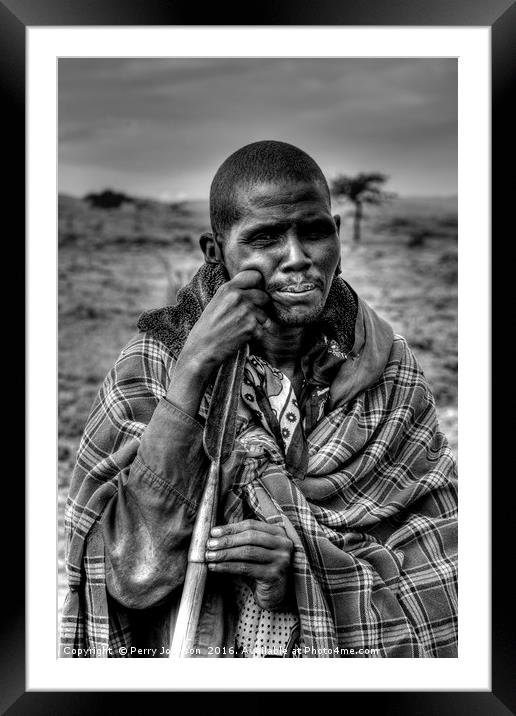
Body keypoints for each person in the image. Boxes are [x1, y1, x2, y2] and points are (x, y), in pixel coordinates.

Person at [60, 140, 458, 659]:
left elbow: (446, 558)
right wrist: (196, 366)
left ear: (337, 234)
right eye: (265, 237)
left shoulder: (385, 364)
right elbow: (129, 575)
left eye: (314, 231)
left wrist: (300, 569)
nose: (297, 259)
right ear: (215, 252)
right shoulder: (157, 363)